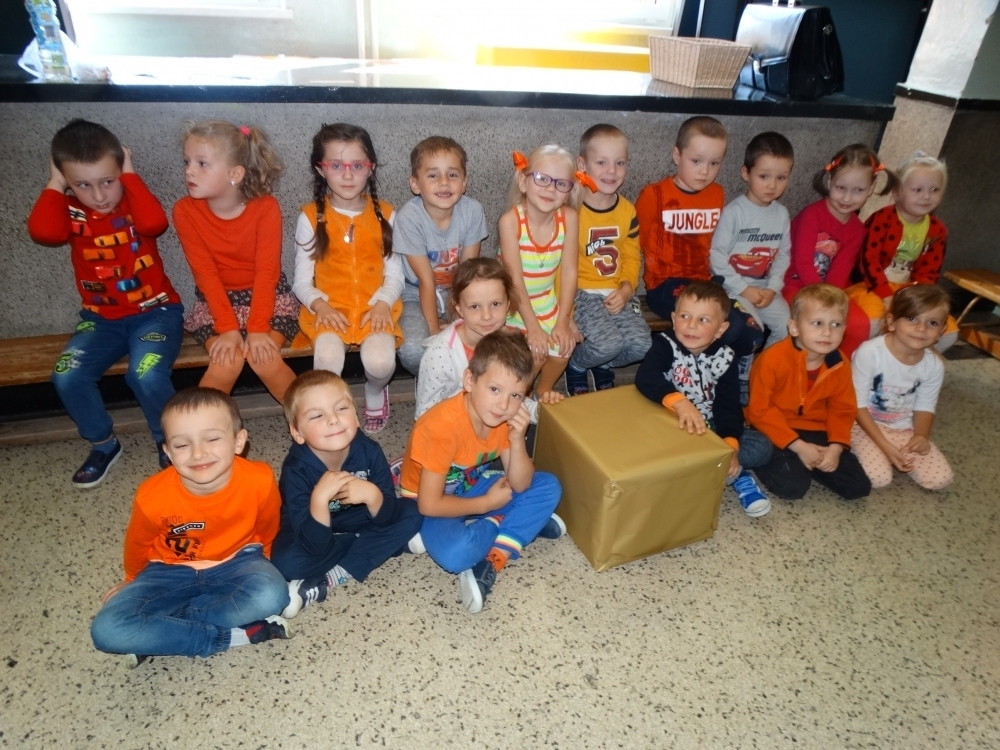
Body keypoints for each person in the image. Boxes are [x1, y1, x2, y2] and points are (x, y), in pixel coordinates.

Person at [27, 119, 184, 487]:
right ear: (67, 181)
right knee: (66, 375)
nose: (99, 196)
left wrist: (129, 176)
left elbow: (154, 223)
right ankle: (103, 444)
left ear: (120, 172)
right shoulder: (70, 211)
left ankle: (170, 441)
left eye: (107, 181)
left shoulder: (132, 202)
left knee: (145, 373)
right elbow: (44, 232)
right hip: (99, 320)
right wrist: (55, 184)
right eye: (83, 184)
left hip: (156, 313)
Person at [90, 388, 292, 668]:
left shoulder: (259, 479)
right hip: (167, 570)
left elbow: (268, 523)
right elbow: (137, 542)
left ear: (238, 441)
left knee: (272, 595)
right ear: (168, 452)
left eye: (212, 438)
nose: (198, 453)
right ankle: (222, 638)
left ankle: (162, 633)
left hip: (238, 560)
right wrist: (131, 578)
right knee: (106, 630)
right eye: (182, 445)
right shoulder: (152, 495)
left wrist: (267, 558)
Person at [399, 329, 564, 614]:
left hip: (472, 484)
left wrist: (516, 439)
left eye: (516, 395)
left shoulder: (503, 418)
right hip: (429, 501)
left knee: (549, 486)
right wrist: (487, 504)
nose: (504, 405)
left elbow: (521, 483)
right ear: (470, 381)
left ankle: (494, 559)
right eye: (494, 389)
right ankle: (511, 524)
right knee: (456, 555)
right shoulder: (441, 427)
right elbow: (429, 504)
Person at [270, 370, 423, 618]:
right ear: (297, 432)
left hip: (360, 520)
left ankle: (330, 577)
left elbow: (388, 515)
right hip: (313, 530)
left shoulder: (370, 451)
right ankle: (381, 546)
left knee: (414, 510)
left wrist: (373, 495)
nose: (333, 419)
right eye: (317, 415)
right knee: (285, 563)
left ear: (356, 416)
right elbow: (312, 544)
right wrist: (319, 500)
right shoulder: (295, 470)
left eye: (341, 408)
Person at [173, 120, 298, 403]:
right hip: (217, 303)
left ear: (235, 174)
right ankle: (202, 427)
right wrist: (228, 329)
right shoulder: (184, 211)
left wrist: (257, 329)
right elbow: (205, 275)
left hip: (267, 299)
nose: (189, 170)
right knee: (226, 362)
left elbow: (267, 273)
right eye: (187, 161)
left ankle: (309, 419)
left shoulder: (265, 207)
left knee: (264, 359)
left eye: (202, 163)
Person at [292, 123, 403, 433]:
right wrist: (320, 306)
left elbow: (396, 273)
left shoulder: (386, 215)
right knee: (327, 360)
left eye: (357, 165)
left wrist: (383, 303)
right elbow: (301, 281)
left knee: (381, 363)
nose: (347, 175)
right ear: (320, 169)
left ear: (371, 168)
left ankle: (375, 390)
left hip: (375, 308)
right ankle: (334, 408)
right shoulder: (310, 217)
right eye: (336, 165)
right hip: (330, 310)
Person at [635, 281, 772, 518]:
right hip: (674, 425)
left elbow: (728, 406)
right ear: (673, 318)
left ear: (721, 329)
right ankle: (727, 473)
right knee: (654, 452)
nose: (691, 325)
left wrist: (730, 446)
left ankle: (726, 468)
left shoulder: (726, 356)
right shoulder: (665, 345)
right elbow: (646, 377)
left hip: (711, 428)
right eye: (685, 316)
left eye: (703, 320)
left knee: (761, 446)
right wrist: (679, 402)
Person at [635, 115, 761, 358]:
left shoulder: (716, 194)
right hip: (665, 285)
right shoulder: (654, 195)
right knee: (726, 328)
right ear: (677, 156)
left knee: (751, 332)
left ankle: (711, 369)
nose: (705, 171)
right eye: (696, 161)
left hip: (705, 282)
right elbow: (633, 244)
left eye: (714, 163)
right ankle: (679, 364)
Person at [746, 284, 871, 501]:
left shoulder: (839, 363)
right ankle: (791, 460)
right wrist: (799, 446)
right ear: (794, 327)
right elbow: (760, 410)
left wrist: (836, 447)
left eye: (836, 324)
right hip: (775, 427)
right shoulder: (772, 360)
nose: (827, 332)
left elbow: (843, 409)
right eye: (817, 323)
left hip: (816, 428)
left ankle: (808, 462)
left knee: (858, 487)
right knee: (793, 488)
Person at [784, 143, 898, 357]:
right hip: (795, 285)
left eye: (858, 190)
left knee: (859, 325)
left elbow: (840, 271)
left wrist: (831, 301)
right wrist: (824, 301)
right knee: (811, 320)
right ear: (829, 182)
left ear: (871, 188)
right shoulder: (812, 215)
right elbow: (802, 262)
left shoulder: (857, 229)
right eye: (841, 188)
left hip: (831, 292)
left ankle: (839, 369)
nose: (847, 198)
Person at [415, 257, 563, 421]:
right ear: (459, 309)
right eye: (475, 306)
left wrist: (539, 410)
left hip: (493, 423)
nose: (487, 316)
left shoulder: (510, 345)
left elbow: (511, 398)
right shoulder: (439, 355)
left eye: (495, 304)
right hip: (451, 428)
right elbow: (424, 415)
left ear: (508, 304)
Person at [564, 124, 651, 395]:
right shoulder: (570, 209)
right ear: (582, 165)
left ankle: (601, 363)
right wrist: (565, 314)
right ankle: (577, 365)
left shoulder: (627, 211)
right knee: (608, 343)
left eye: (619, 163)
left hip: (616, 292)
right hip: (580, 293)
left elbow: (631, 256)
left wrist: (627, 288)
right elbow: (559, 263)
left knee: (642, 345)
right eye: (601, 162)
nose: (611, 171)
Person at [394, 136, 488, 377]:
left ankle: (466, 383)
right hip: (414, 292)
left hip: (455, 289)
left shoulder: (472, 211)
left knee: (485, 334)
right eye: (433, 175)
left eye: (452, 174)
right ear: (415, 184)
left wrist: (463, 318)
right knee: (414, 350)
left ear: (464, 182)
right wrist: (435, 331)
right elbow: (426, 280)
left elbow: (468, 272)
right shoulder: (409, 218)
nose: (444, 182)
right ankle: (431, 380)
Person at [849, 151, 958, 351]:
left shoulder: (937, 230)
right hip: (870, 286)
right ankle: (869, 359)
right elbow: (868, 260)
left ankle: (908, 358)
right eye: (917, 189)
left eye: (935, 189)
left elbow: (929, 272)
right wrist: (886, 295)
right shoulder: (882, 219)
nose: (927, 196)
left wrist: (918, 300)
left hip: (909, 290)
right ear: (897, 192)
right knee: (875, 320)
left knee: (948, 331)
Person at [851, 284, 953, 490]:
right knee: (878, 478)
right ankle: (859, 450)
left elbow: (925, 405)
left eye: (932, 323)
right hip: (862, 425)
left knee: (940, 479)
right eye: (912, 318)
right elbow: (857, 405)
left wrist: (921, 436)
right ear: (891, 322)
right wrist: (884, 446)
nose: (921, 328)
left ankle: (885, 454)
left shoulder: (934, 365)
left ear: (941, 332)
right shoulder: (870, 353)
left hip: (903, 428)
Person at [499, 145, 581, 395]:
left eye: (561, 183)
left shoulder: (569, 218)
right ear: (524, 182)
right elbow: (515, 280)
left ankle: (543, 394)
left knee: (563, 349)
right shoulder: (510, 222)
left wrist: (563, 321)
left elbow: (570, 272)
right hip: (514, 305)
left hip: (547, 301)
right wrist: (533, 328)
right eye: (542, 179)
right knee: (535, 355)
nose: (550, 189)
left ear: (568, 193)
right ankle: (520, 396)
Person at [710, 131, 794, 348]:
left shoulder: (782, 214)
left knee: (787, 327)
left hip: (766, 289)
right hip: (732, 289)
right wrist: (743, 289)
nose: (772, 185)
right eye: (764, 176)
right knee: (751, 330)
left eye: (781, 178)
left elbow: (783, 256)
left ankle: (765, 366)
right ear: (746, 173)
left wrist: (773, 288)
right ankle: (742, 366)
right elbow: (716, 256)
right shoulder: (734, 212)